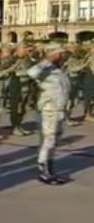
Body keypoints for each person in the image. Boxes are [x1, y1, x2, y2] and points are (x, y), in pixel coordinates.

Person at [28, 45, 71, 185]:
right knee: (48, 140)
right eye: (60, 54)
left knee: (54, 141)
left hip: (59, 109)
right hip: (49, 110)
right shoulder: (44, 68)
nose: (62, 56)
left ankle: (51, 170)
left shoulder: (58, 70)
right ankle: (43, 172)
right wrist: (48, 60)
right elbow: (31, 73)